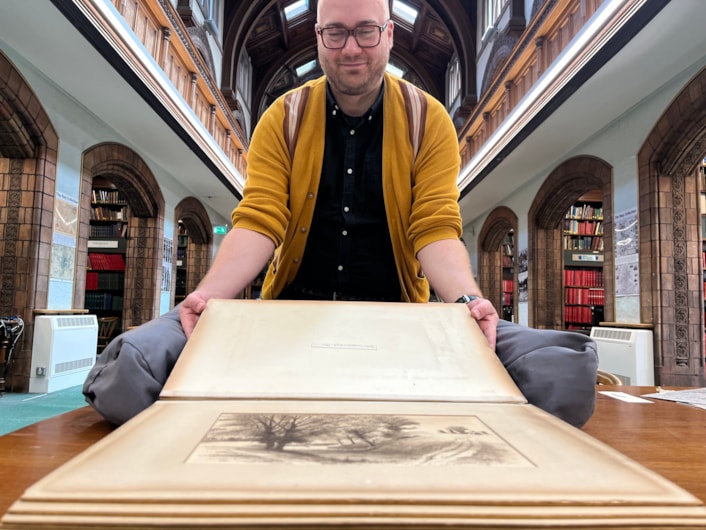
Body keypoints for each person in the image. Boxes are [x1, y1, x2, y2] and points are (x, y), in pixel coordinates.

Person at [83, 0, 597, 428]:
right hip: (287, 317)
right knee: (130, 368)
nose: (351, 47)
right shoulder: (280, 117)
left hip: (399, 321)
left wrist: (469, 301)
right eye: (336, 32)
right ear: (318, 36)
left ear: (390, 34)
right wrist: (207, 298)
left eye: (366, 31)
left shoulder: (429, 120)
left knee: (563, 373)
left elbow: (435, 227)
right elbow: (260, 218)